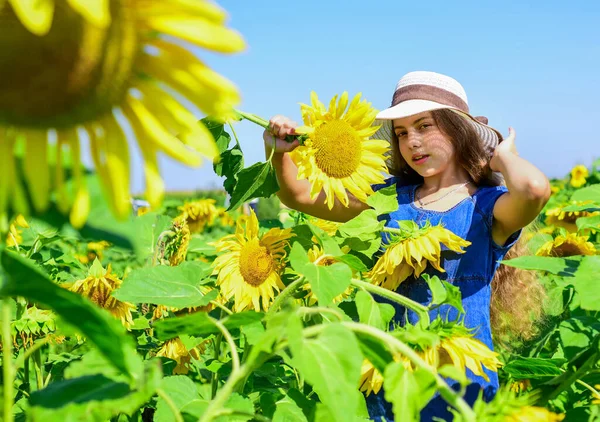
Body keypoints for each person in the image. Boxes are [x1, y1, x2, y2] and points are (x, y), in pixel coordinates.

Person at [263, 71, 551, 421]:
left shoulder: (488, 208)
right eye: (401, 133)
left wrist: (502, 157)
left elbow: (534, 190)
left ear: (458, 131)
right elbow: (300, 196)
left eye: (425, 126)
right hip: (390, 376)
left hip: (458, 377)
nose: (412, 141)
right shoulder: (389, 199)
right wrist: (278, 154)